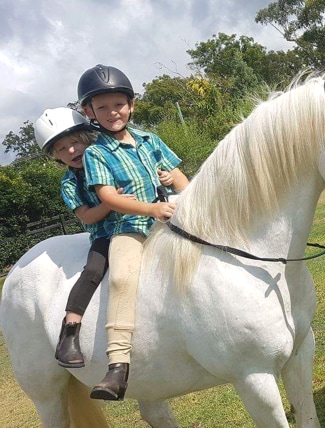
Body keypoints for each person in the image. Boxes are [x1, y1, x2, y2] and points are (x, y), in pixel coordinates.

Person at [78, 64, 190, 400]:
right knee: (122, 278)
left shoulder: (150, 139)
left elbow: (182, 179)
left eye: (118, 104)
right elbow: (108, 198)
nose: (112, 112)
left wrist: (177, 185)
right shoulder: (95, 153)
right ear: (89, 112)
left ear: (131, 105)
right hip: (128, 227)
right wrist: (151, 209)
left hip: (169, 215)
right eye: (102, 107)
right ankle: (118, 364)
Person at [33, 107, 142, 368]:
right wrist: (110, 202)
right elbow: (87, 217)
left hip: (139, 220)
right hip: (106, 231)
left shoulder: (108, 158)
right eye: (61, 149)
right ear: (56, 157)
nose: (71, 151)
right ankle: (70, 330)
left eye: (75, 142)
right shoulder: (69, 184)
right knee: (93, 269)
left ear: (87, 137)